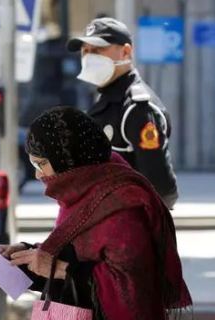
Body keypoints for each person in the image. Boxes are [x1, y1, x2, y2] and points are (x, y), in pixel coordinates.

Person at [0, 107, 192, 320]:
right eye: (34, 165)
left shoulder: (122, 200)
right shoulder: (82, 193)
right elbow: (75, 257)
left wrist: (58, 268)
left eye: (42, 163)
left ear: (68, 156)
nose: (41, 174)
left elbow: (133, 284)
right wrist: (25, 256)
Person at [67, 17, 179, 208]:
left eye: (97, 50)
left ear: (126, 51)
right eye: (85, 51)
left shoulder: (137, 109)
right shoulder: (105, 101)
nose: (88, 57)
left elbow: (162, 188)